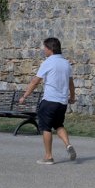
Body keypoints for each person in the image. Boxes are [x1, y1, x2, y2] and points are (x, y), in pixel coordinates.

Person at [19, 36, 76, 165]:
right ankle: (68, 144)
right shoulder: (66, 64)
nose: (44, 50)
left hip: (49, 101)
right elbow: (71, 84)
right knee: (59, 125)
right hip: (62, 102)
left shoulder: (48, 62)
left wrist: (25, 96)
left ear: (50, 49)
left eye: (45, 48)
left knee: (46, 127)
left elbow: (35, 81)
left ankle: (48, 156)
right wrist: (72, 97)